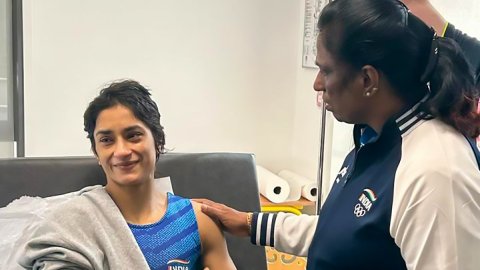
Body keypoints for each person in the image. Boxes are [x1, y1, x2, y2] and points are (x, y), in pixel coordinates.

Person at [194, 0, 480, 269]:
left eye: (325, 71)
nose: (318, 85)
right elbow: (346, 232)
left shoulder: (435, 172)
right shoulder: (377, 139)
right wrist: (249, 224)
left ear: (367, 79)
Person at [19, 80, 236, 270]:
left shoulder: (197, 221)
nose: (121, 151)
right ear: (96, 152)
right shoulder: (69, 225)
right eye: (106, 140)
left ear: (158, 141)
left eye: (133, 136)